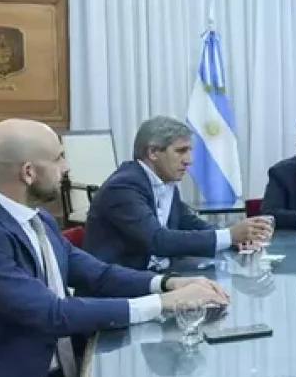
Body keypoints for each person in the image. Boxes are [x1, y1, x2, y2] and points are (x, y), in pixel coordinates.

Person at [0, 118, 230, 377]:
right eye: (58, 158)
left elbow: (98, 274)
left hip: (62, 372)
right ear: (28, 172)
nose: (66, 167)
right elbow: (52, 313)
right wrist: (163, 304)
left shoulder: (39, 219)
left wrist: (167, 283)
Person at [84, 116, 272, 270]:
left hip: (157, 274)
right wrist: (229, 235)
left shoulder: (165, 181)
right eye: (181, 151)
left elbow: (187, 222)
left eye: (189, 151)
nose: (189, 160)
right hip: (118, 287)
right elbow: (157, 240)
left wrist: (234, 238)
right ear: (153, 153)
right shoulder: (124, 186)